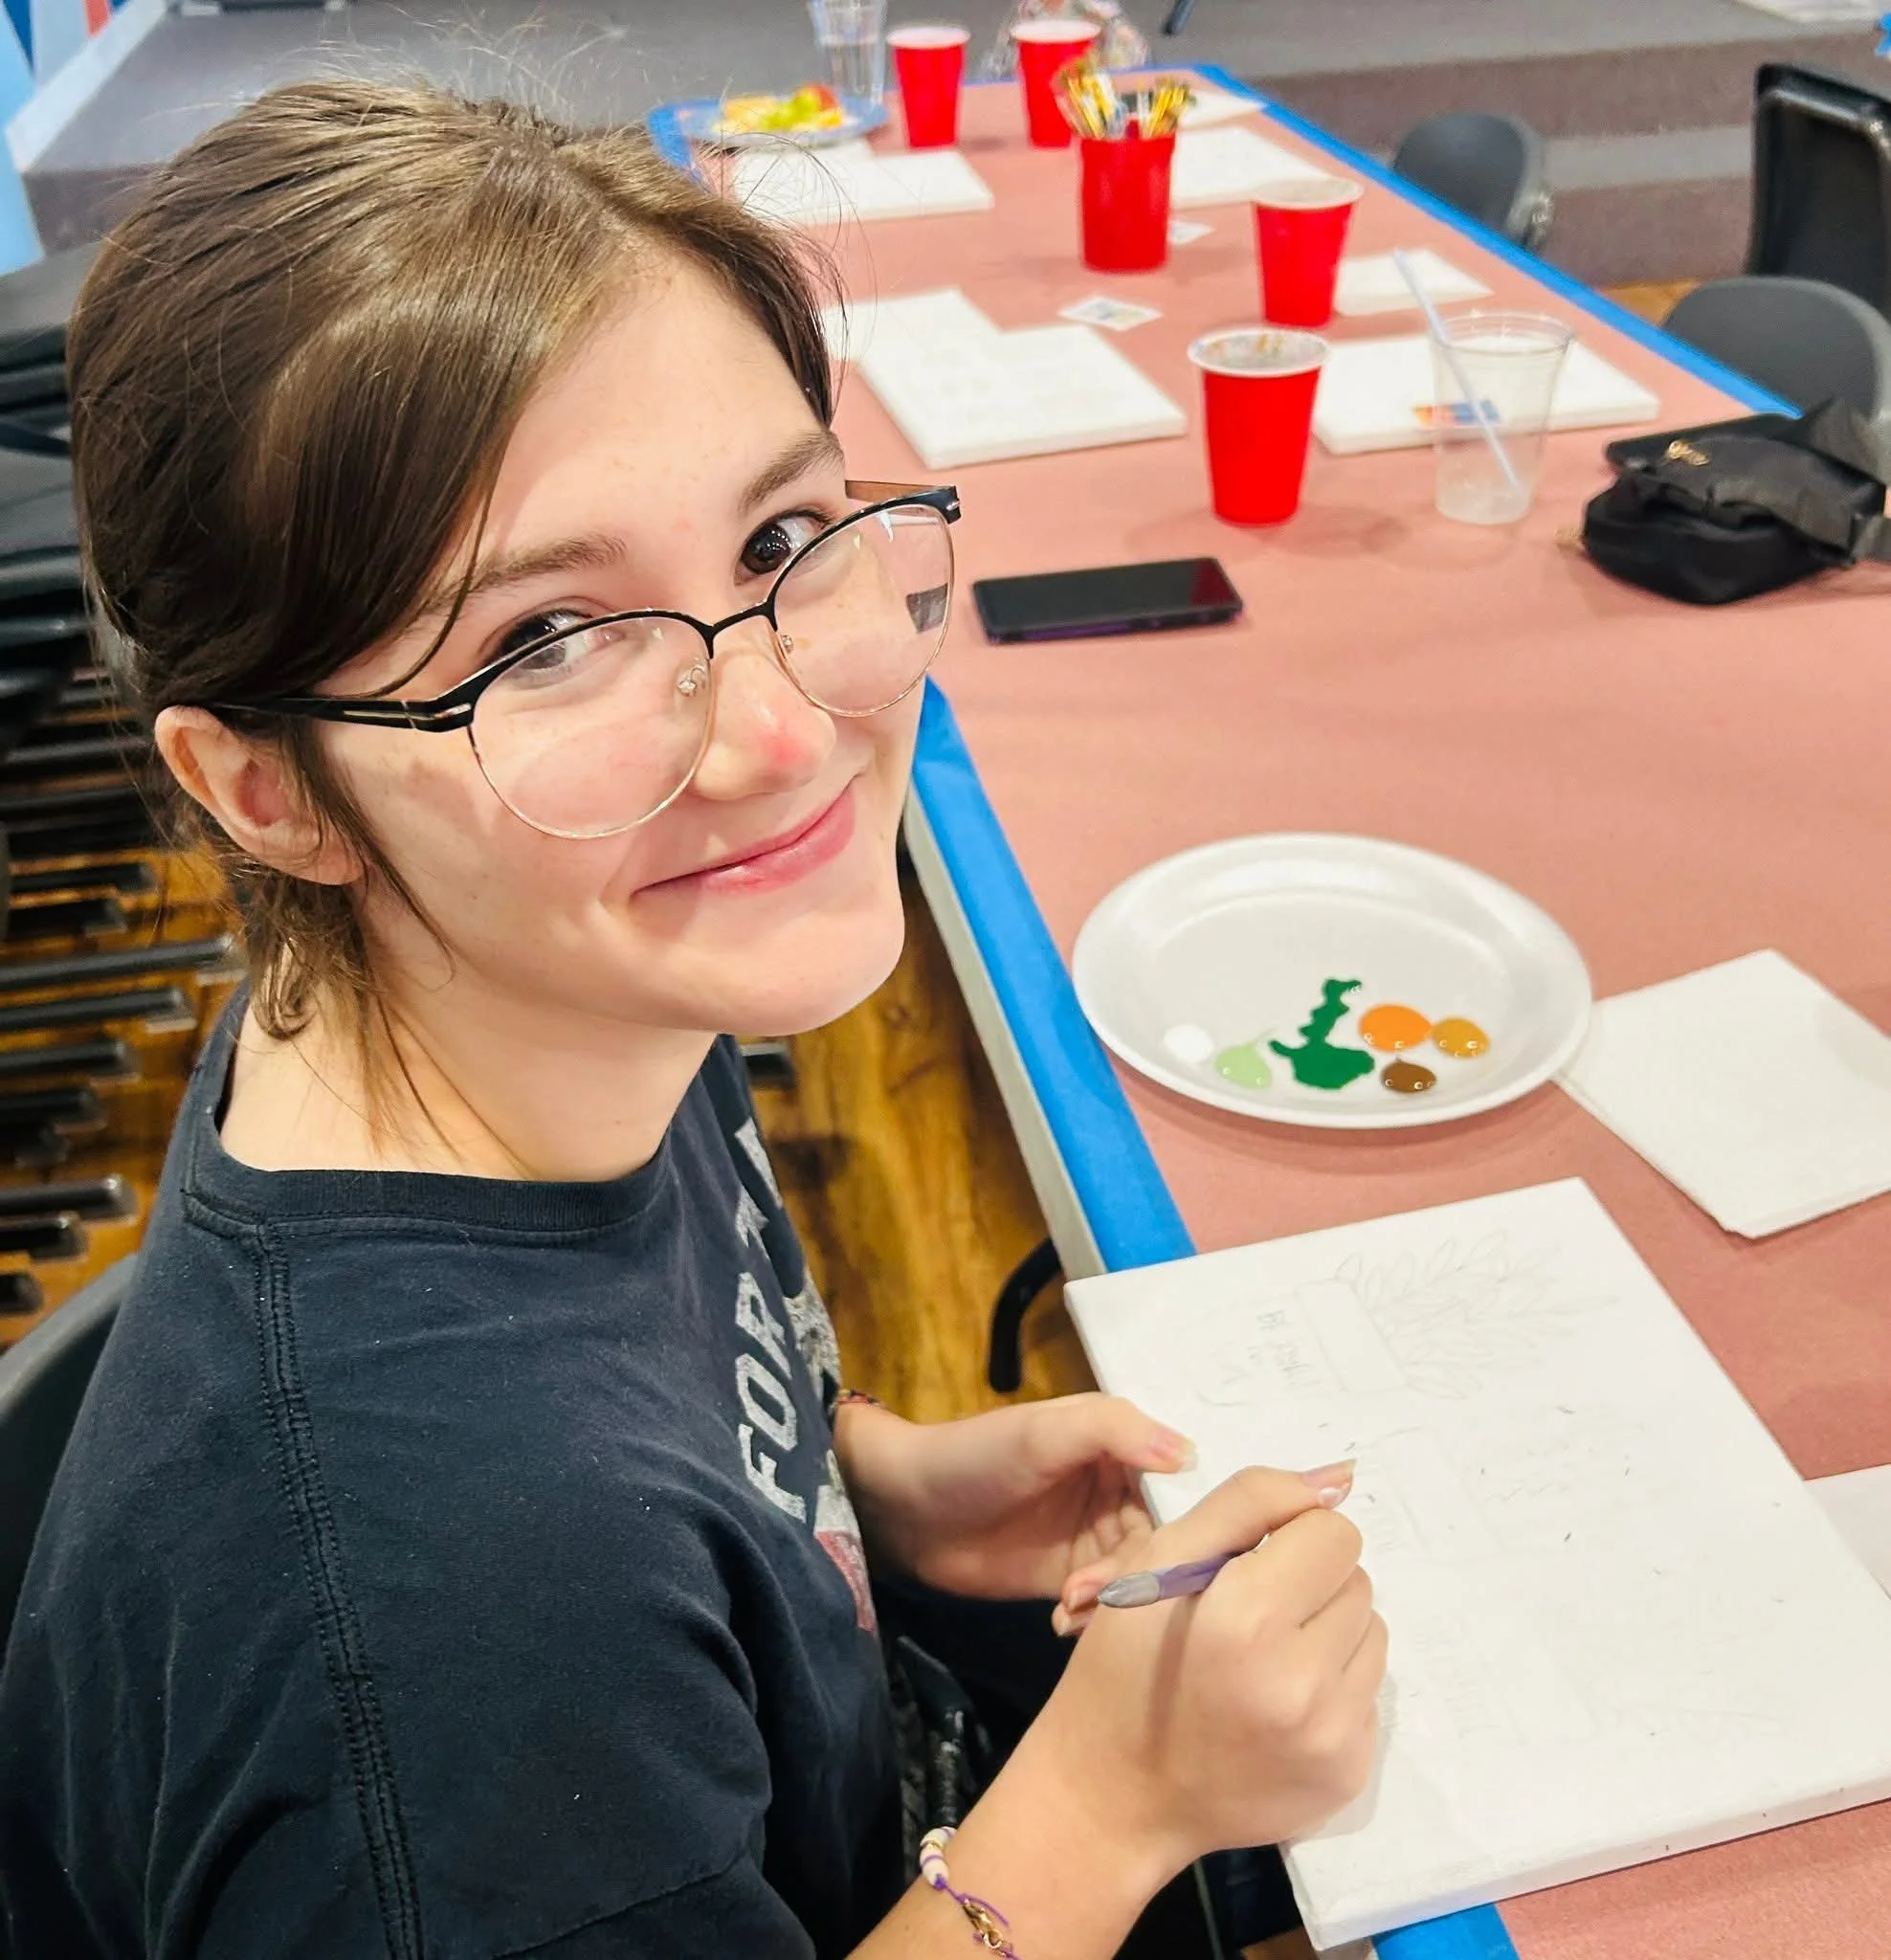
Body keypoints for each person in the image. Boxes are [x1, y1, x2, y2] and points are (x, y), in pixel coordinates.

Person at [0, 81, 1385, 1959]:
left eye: (779, 540)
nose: (779, 730)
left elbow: (615, 1357)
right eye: (543, 643)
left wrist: (859, 1498)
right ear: (268, 793)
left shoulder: (530, 1005)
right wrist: (1117, 1807)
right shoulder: (440, 1643)